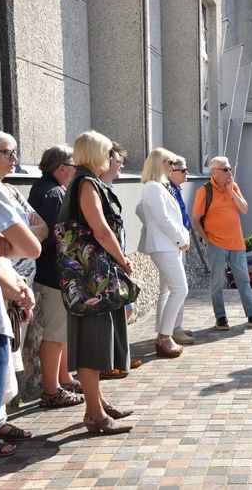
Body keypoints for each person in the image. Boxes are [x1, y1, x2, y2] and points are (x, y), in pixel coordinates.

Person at [0, 130, 50, 457]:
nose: (14, 159)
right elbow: (30, 244)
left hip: (7, 288)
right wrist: (1, 244)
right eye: (6, 152)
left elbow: (41, 229)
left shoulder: (9, 190)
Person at [57, 130, 134, 434]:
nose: (112, 157)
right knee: (91, 343)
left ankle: (99, 402)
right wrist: (124, 261)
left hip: (92, 276)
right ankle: (94, 414)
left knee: (97, 339)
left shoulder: (85, 181)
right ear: (96, 153)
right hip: (92, 279)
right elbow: (100, 230)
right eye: (107, 151)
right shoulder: (86, 182)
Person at [28, 145, 88, 409]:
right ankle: (52, 390)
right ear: (62, 167)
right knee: (55, 332)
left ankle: (63, 377)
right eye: (73, 166)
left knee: (61, 331)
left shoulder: (47, 188)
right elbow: (55, 236)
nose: (75, 171)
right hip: (54, 273)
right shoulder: (52, 193)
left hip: (52, 271)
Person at [191, 156, 252, 331]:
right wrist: (205, 237)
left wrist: (231, 190)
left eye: (230, 169)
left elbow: (244, 209)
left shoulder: (233, 186)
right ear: (214, 171)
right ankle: (220, 317)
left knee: (244, 280)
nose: (229, 172)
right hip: (216, 244)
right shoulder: (204, 191)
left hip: (237, 243)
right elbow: (195, 219)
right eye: (225, 169)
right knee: (218, 282)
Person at [136, 148, 189, 358]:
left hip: (168, 244)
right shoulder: (152, 188)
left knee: (168, 292)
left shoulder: (158, 186)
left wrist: (179, 237)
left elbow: (163, 217)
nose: (173, 167)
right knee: (180, 289)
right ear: (161, 164)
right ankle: (165, 336)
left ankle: (163, 336)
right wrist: (181, 238)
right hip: (165, 246)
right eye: (170, 163)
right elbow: (163, 218)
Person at [98, 142, 142, 377]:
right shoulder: (93, 188)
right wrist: (122, 259)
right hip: (109, 263)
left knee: (126, 309)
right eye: (117, 161)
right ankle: (109, 361)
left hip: (117, 260)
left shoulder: (107, 188)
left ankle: (117, 356)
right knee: (118, 310)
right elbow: (102, 232)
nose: (122, 164)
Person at [164, 155, 194, 344]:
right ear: (171, 171)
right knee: (177, 290)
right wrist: (179, 239)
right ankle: (172, 330)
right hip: (173, 245)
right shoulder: (165, 190)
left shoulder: (176, 189)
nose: (186, 172)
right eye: (182, 170)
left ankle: (176, 326)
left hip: (180, 244)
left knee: (177, 290)